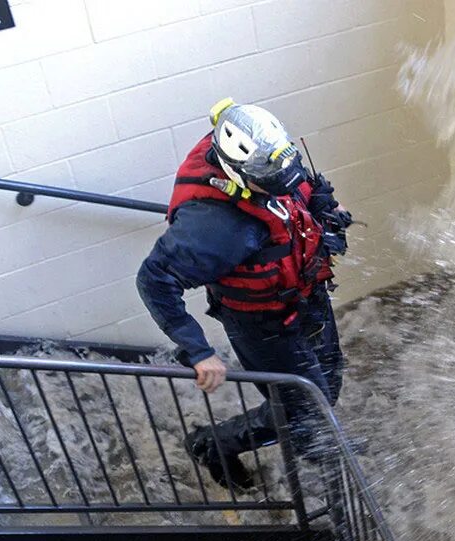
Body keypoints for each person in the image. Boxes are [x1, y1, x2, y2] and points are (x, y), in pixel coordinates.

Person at [137, 98, 354, 489]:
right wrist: (199, 351)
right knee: (307, 415)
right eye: (271, 185)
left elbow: (300, 191)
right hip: (263, 324)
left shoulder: (269, 157)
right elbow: (154, 280)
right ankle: (214, 444)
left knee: (327, 384)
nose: (282, 187)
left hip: (305, 297)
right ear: (236, 175)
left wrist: (325, 211)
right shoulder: (216, 228)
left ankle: (310, 432)